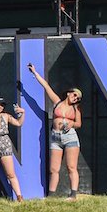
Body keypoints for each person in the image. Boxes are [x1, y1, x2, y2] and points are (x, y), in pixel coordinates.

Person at [25, 63, 83, 199]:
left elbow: (79, 124)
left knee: (71, 167)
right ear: (69, 93)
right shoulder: (57, 102)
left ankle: (73, 194)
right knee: (53, 169)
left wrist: (72, 124)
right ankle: (51, 195)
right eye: (74, 95)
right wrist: (35, 73)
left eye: (78, 98)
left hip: (70, 137)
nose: (75, 98)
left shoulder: (76, 109)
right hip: (55, 137)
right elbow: (46, 86)